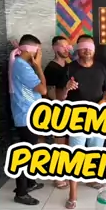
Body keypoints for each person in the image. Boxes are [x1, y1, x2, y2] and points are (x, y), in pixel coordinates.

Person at [63, 34, 106, 209]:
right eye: (83, 47)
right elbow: (59, 96)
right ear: (78, 49)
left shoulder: (101, 68)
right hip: (77, 118)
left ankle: (91, 179)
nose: (87, 51)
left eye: (90, 47)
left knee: (95, 151)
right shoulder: (70, 68)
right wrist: (66, 89)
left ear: (94, 50)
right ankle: (72, 194)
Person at [8, 34, 48, 205]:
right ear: (32, 51)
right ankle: (21, 193)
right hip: (25, 116)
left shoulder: (21, 64)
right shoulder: (22, 66)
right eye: (39, 50)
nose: (40, 54)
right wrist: (38, 66)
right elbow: (43, 90)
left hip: (26, 114)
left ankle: (30, 183)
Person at [43, 36, 73, 189]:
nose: (66, 49)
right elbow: (49, 91)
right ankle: (58, 176)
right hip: (57, 110)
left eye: (68, 46)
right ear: (54, 48)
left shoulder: (69, 66)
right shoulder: (51, 68)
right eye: (62, 46)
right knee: (59, 144)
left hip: (70, 110)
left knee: (67, 144)